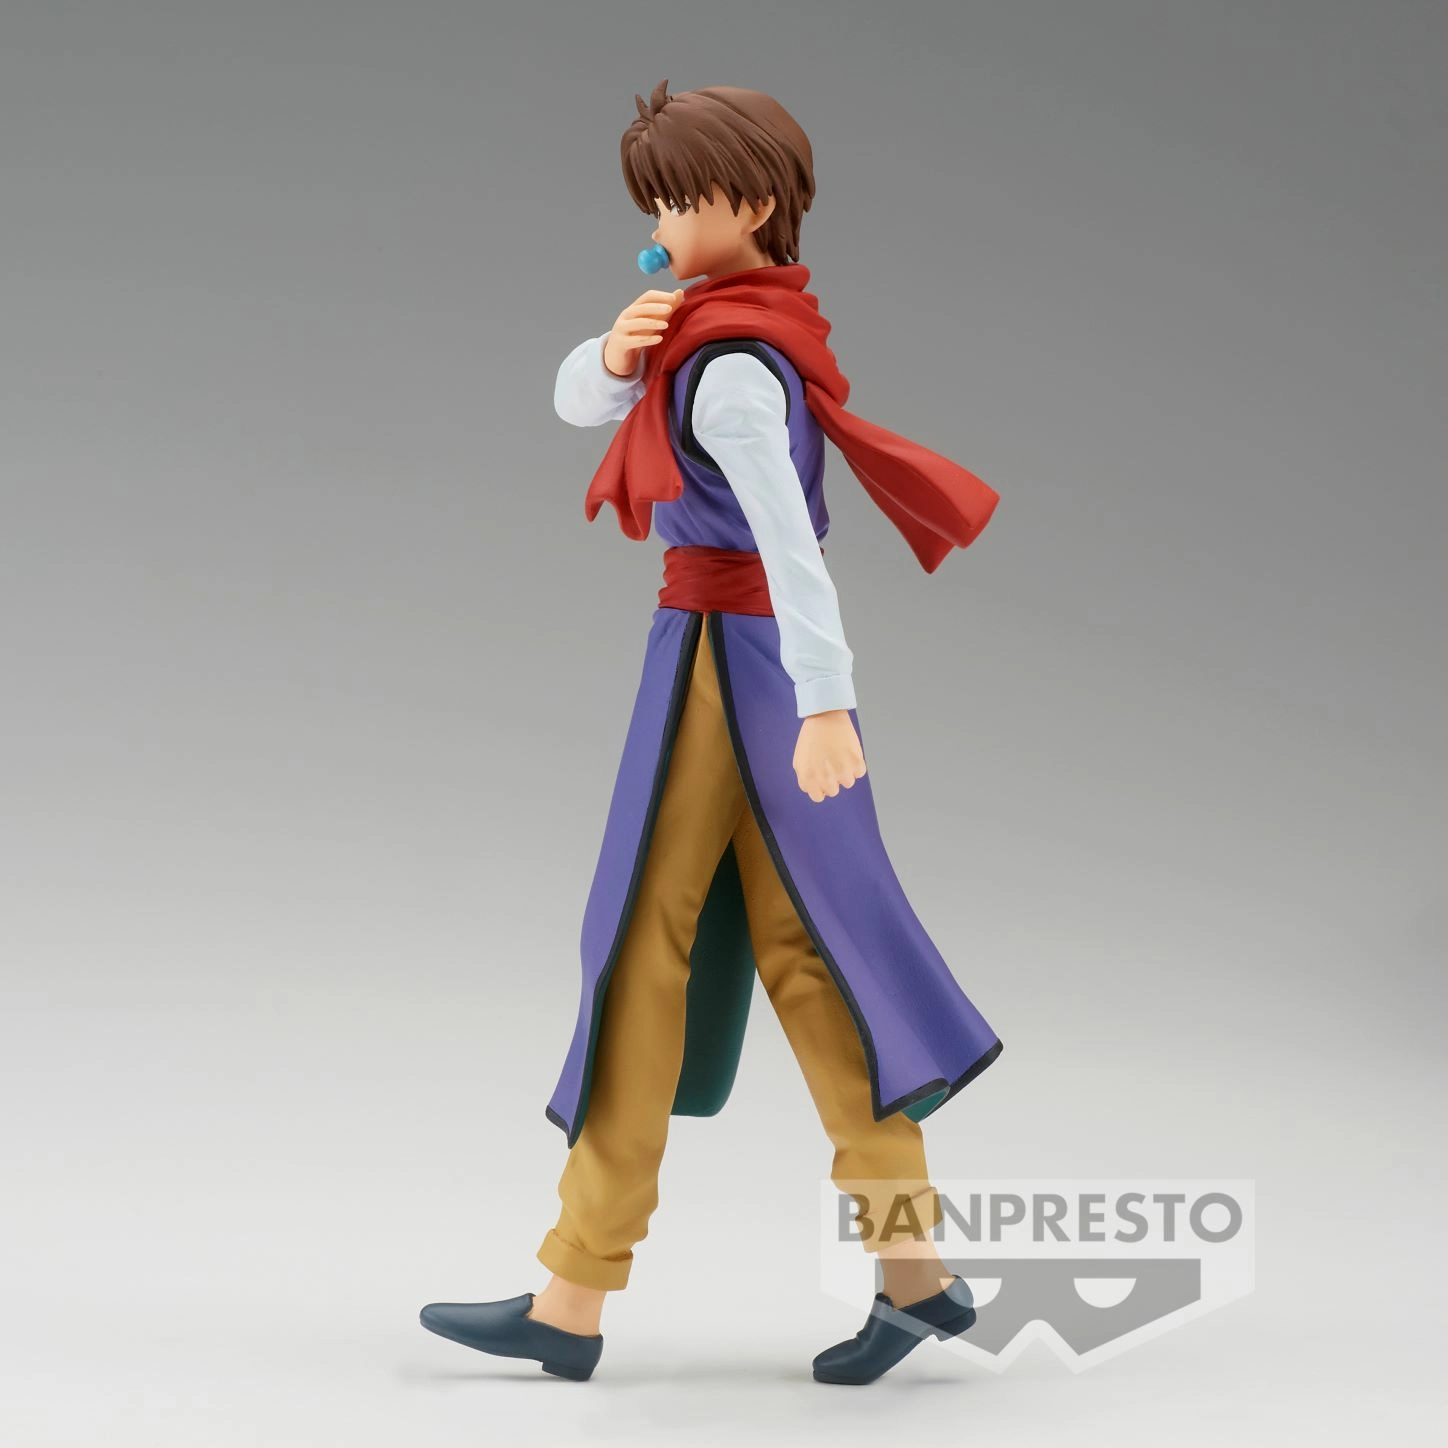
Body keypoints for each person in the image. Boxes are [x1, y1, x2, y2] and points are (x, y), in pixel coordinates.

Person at [421, 79, 1002, 1385]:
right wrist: (614, 353)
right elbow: (577, 402)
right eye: (658, 204)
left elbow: (792, 548)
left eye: (679, 202)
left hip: (724, 666)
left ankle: (574, 1295)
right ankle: (915, 1272)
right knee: (812, 957)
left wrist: (825, 698)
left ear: (749, 203)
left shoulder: (733, 366)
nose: (662, 228)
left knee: (643, 945)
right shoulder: (717, 334)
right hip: (727, 660)